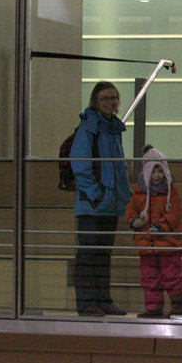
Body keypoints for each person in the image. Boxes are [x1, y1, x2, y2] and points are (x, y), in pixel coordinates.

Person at [71, 81, 132, 316]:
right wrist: (96, 195)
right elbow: (80, 164)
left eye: (113, 98)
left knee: (103, 255)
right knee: (88, 254)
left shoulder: (113, 128)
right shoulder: (89, 127)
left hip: (110, 203)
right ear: (96, 102)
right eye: (105, 98)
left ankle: (103, 301)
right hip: (93, 204)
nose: (110, 102)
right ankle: (87, 303)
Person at [127, 146, 182, 318]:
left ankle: (178, 308)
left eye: (161, 170)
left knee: (172, 276)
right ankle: (153, 309)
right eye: (154, 171)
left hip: (168, 244)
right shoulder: (139, 192)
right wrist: (133, 220)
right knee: (150, 278)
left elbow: (176, 211)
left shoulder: (171, 191)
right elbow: (130, 209)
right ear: (147, 172)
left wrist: (161, 226)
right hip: (146, 244)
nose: (158, 175)